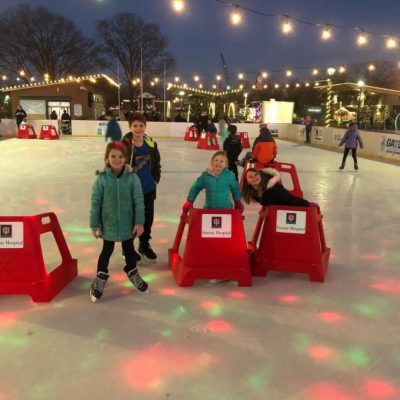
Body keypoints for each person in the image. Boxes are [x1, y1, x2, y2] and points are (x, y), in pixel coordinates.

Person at [89, 142, 148, 302]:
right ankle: (100, 278)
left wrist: (139, 222)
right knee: (106, 251)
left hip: (127, 224)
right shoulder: (101, 179)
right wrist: (94, 224)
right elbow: (95, 202)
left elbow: (138, 200)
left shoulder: (132, 178)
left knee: (129, 250)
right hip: (108, 224)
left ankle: (132, 272)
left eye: (120, 156)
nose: (117, 159)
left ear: (126, 158)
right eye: (113, 156)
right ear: (107, 158)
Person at [122, 112, 161, 261]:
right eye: (135, 125)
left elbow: (157, 164)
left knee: (147, 219)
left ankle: (144, 245)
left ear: (145, 127)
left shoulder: (150, 143)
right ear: (130, 127)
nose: (138, 128)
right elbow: (116, 164)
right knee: (131, 219)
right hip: (131, 191)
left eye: (141, 125)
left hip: (148, 188)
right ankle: (128, 248)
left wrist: (155, 180)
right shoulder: (125, 145)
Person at [242, 167, 314, 208]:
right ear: (247, 182)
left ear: (260, 175)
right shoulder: (251, 192)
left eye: (256, 174)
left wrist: (307, 205)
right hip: (275, 212)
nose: (254, 177)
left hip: (286, 207)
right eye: (250, 177)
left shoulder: (273, 187)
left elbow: (290, 199)